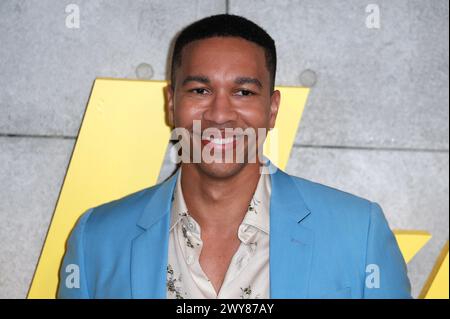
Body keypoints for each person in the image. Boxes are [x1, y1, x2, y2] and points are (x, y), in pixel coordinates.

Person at [58, 14, 411, 299]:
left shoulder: (357, 233)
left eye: (243, 92)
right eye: (200, 90)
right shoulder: (97, 240)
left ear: (272, 110)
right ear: (171, 104)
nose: (220, 114)